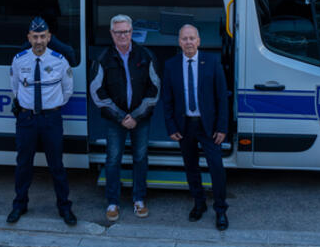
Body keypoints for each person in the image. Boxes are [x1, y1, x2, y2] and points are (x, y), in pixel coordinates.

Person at [89, 14, 160, 222]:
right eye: (118, 32)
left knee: (140, 158)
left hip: (141, 119)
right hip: (115, 120)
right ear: (112, 33)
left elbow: (154, 89)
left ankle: (139, 200)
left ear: (132, 32)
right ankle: (113, 203)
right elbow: (97, 93)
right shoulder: (102, 59)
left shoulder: (146, 55)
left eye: (126, 31)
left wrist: (136, 116)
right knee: (113, 160)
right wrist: (121, 117)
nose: (123, 35)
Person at [7, 16, 77, 227]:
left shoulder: (59, 60)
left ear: (49, 37)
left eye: (42, 37)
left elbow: (67, 90)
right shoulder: (19, 60)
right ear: (29, 37)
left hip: (51, 119)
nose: (38, 41)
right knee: (23, 165)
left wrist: (52, 107)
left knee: (56, 165)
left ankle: (64, 207)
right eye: (35, 37)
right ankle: (20, 204)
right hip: (26, 119)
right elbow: (15, 89)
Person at [161, 24, 229, 231]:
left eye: (192, 38)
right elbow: (167, 100)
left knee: (216, 168)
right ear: (179, 42)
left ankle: (221, 210)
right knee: (191, 168)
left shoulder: (212, 62)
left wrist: (222, 127)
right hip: (185, 126)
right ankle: (199, 204)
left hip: (208, 127)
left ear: (199, 41)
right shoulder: (171, 65)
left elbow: (222, 97)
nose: (188, 42)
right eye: (184, 38)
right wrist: (171, 126)